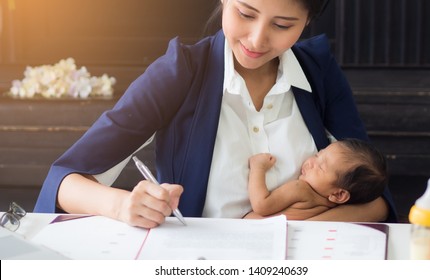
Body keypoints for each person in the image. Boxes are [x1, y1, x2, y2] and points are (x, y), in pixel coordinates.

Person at [34, 0, 398, 228]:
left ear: (306, 22)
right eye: (245, 13)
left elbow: (375, 199)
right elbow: (63, 181)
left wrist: (278, 223)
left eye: (283, 25)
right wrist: (123, 205)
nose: (257, 40)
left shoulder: (317, 72)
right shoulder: (180, 73)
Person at [245, 138, 387, 220]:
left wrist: (258, 168)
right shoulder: (334, 206)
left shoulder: (300, 189)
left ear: (339, 194)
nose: (311, 162)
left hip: (254, 235)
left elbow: (261, 205)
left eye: (320, 167)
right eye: (318, 155)